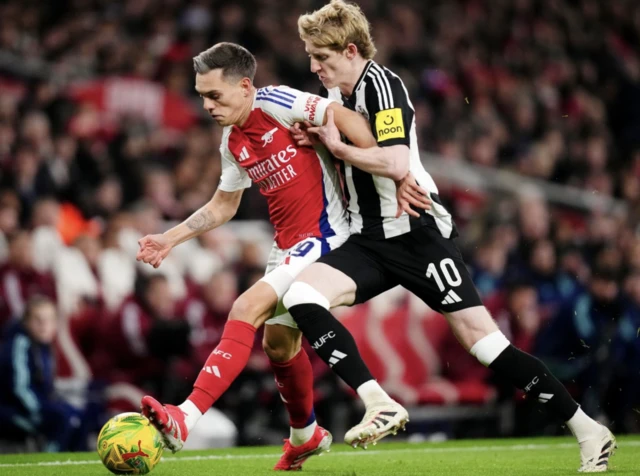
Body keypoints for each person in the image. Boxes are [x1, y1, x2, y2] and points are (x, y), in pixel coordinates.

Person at [283, 1, 616, 471]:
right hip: (371, 240)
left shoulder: (382, 86)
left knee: (485, 345)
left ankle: (588, 429)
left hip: (418, 234)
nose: (313, 66)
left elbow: (396, 162)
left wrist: (336, 145)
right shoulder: (339, 101)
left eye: (321, 56)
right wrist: (322, 143)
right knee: (302, 296)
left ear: (351, 49)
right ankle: (378, 401)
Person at [135, 42, 415, 471]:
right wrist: (170, 239)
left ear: (245, 86)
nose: (207, 105)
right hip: (286, 244)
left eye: (215, 95)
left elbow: (346, 118)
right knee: (279, 343)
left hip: (326, 234)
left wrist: (392, 173)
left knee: (245, 306)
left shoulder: (278, 102)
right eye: (201, 96)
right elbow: (223, 206)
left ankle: (183, 418)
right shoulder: (232, 140)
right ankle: (305, 436)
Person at [0, 296, 89, 451]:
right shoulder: (19, 344)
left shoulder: (44, 346)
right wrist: (42, 409)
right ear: (26, 322)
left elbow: (46, 385)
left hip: (34, 405)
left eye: (49, 320)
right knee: (63, 419)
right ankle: (49, 461)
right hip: (12, 410)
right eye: (37, 320)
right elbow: (20, 389)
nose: (43, 325)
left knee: (81, 416)